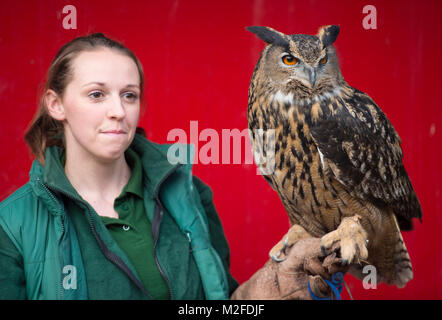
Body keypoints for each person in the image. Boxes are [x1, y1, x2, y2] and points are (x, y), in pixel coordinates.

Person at [0, 33, 347, 300]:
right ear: (56, 104)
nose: (118, 111)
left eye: (129, 95)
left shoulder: (186, 193)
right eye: (96, 95)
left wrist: (273, 286)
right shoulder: (14, 223)